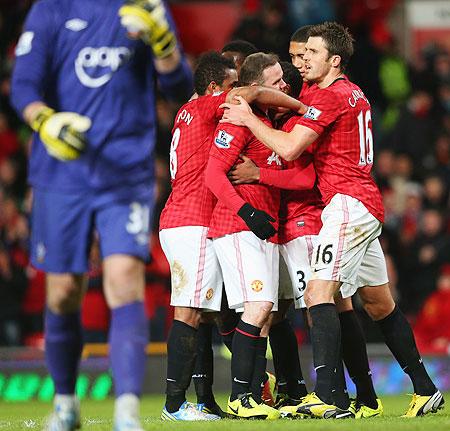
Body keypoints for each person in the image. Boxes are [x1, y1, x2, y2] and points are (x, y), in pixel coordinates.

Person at [220, 21, 443, 419]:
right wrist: (253, 92)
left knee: (318, 292)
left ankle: (328, 395)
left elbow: (290, 149)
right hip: (365, 202)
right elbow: (287, 101)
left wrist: (249, 121)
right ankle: (424, 388)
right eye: (300, 55)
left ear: (334, 60)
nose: (303, 61)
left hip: (346, 204)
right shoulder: (349, 92)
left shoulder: (331, 96)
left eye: (312, 54)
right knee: (378, 302)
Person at [10, 1, 193, 430]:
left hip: (124, 174)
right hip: (61, 174)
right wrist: (45, 121)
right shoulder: (51, 9)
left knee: (124, 280)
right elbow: (23, 86)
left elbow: (179, 89)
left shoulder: (145, 6)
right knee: (63, 291)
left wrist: (163, 44)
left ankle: (127, 413)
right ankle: (66, 404)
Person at [160, 50, 305, 421]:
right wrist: (302, 106)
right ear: (213, 89)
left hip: (191, 219)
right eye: (229, 88)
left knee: (206, 315)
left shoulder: (187, 113)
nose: (234, 94)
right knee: (190, 312)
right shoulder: (208, 106)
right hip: (192, 220)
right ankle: (174, 406)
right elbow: (252, 95)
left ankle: (205, 401)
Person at [205, 52, 290, 420]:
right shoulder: (239, 119)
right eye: (276, 81)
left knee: (264, 315)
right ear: (256, 87)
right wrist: (248, 211)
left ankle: (254, 393)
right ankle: (241, 396)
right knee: (257, 308)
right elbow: (213, 174)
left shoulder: (265, 124)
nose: (284, 86)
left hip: (263, 230)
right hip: (238, 226)